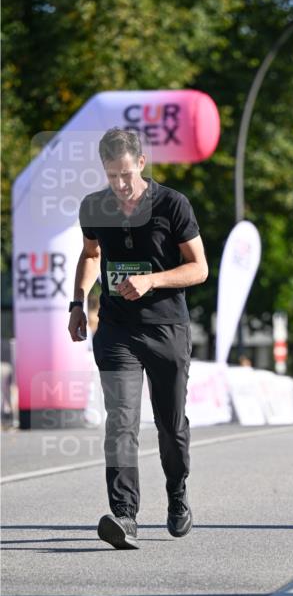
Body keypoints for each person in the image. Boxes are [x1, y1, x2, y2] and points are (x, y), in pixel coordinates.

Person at [68, 128, 208, 549]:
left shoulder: (172, 205)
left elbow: (199, 268)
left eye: (126, 174)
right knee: (122, 423)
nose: (121, 184)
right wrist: (78, 302)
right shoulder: (94, 206)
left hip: (167, 327)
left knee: (170, 426)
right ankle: (125, 516)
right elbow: (92, 254)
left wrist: (152, 281)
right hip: (116, 330)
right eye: (112, 176)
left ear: (142, 165)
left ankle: (177, 492)